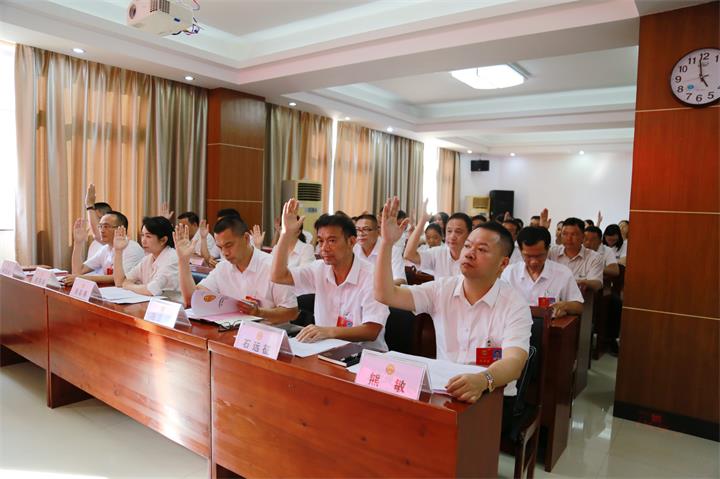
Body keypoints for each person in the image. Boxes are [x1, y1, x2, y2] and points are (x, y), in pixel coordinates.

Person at [375, 196, 531, 407]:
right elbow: (385, 294)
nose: (470, 254)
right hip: (445, 392)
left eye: (482, 250)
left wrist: (483, 379)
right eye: (468, 246)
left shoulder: (514, 304)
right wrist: (387, 243)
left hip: (493, 397)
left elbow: (514, 362)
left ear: (503, 264)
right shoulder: (442, 289)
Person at [270, 200, 390, 351]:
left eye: (332, 241)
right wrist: (286, 233)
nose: (324, 248)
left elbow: (371, 331)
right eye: (321, 241)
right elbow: (278, 276)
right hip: (325, 350)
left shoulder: (372, 276)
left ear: (351, 241)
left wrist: (328, 332)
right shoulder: (319, 269)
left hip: (364, 354)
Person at [174, 216, 298, 323]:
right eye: (220, 247)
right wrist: (183, 260)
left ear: (246, 238)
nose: (225, 253)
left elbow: (291, 312)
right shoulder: (223, 267)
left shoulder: (272, 266)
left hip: (266, 333)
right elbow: (192, 300)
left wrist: (259, 312)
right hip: (230, 331)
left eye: (229, 245)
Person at [501, 226, 584, 317]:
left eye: (539, 256)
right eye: (528, 256)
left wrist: (565, 306)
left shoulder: (563, 273)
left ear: (548, 249)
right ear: (520, 250)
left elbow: (579, 307)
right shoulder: (509, 273)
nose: (534, 262)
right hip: (515, 322)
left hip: (550, 324)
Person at [64, 211, 145, 286]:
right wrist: (78, 243)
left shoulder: (132, 248)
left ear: (121, 229)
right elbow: (78, 271)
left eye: (106, 226)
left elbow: (119, 278)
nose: (102, 230)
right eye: (100, 226)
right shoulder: (105, 248)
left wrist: (83, 278)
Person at [112, 216, 179, 296]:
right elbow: (120, 282)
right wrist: (118, 251)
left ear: (163, 240)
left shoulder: (172, 258)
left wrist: (129, 286)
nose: (143, 240)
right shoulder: (148, 258)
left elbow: (151, 290)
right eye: (142, 235)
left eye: (148, 236)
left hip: (173, 302)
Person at [404, 201, 471, 278]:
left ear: (469, 234)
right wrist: (422, 220)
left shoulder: (474, 258)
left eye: (458, 232)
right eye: (449, 231)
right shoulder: (438, 253)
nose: (452, 236)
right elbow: (409, 255)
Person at [549, 217, 604, 291]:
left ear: (583, 237)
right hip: (552, 297)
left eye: (573, 234)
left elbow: (597, 283)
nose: (568, 238)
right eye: (565, 234)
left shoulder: (594, 257)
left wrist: (584, 283)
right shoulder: (552, 252)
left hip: (580, 297)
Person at [353, 213, 406, 285]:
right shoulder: (353, 249)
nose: (361, 234)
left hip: (384, 291)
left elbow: (401, 281)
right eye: (357, 229)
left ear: (378, 231)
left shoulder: (392, 250)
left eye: (366, 229)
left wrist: (374, 287)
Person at [83, 184, 113, 258]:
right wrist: (78, 243)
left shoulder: (117, 240)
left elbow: (98, 235)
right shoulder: (94, 244)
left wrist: (89, 205)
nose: (92, 223)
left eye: (95, 218)